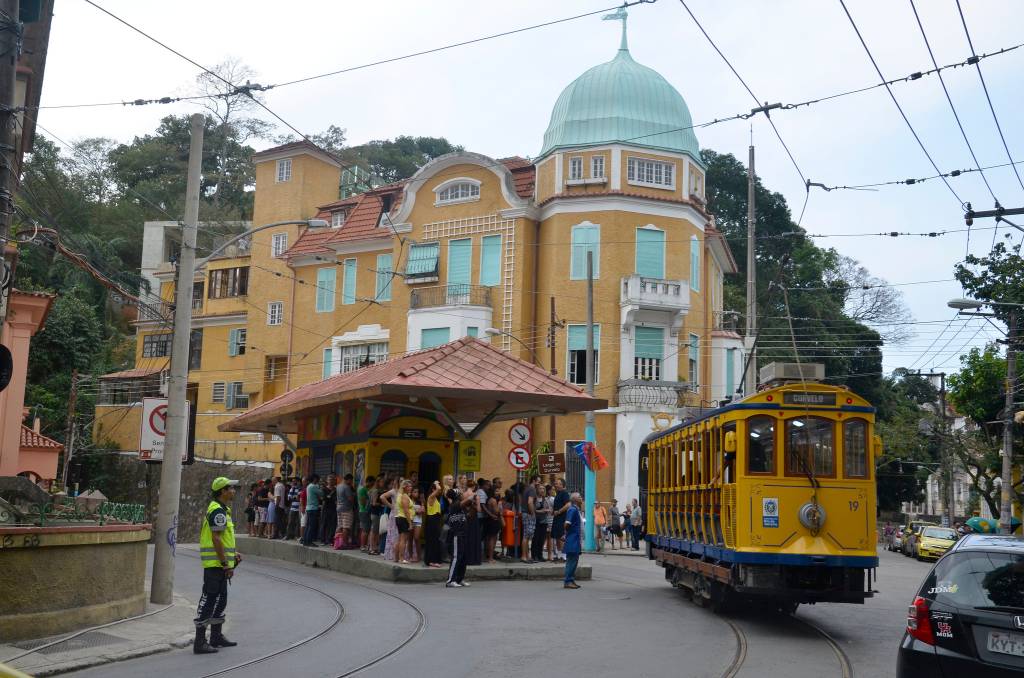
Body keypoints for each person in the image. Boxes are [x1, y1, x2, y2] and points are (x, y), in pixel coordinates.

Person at [193, 476, 242, 654]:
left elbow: (223, 539)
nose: (234, 491)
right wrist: (225, 564)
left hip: (220, 564)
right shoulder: (218, 512)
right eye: (231, 488)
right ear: (223, 491)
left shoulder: (222, 510)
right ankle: (199, 642)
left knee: (221, 600)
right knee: (209, 600)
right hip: (216, 565)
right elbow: (216, 538)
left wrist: (232, 556)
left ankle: (216, 637)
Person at [445, 487, 469, 587]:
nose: (462, 495)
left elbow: (469, 515)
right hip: (456, 535)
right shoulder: (454, 505)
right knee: (456, 557)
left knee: (463, 558)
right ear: (457, 496)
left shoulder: (461, 508)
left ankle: (459, 579)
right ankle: (451, 580)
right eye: (460, 494)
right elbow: (466, 500)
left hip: (463, 534)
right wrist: (472, 496)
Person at [563, 492, 583, 589]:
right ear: (574, 499)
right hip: (572, 539)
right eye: (579, 497)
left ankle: (571, 580)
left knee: (574, 560)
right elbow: (567, 524)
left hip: (575, 539)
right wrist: (568, 534)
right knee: (571, 561)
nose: (581, 498)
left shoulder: (576, 509)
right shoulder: (572, 509)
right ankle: (568, 581)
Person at [424, 480, 444, 568]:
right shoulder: (431, 497)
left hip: (436, 519)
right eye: (437, 489)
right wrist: (436, 483)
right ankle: (431, 560)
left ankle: (434, 559)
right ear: (433, 489)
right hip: (432, 520)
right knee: (432, 540)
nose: (439, 491)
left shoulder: (435, 498)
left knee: (436, 540)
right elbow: (439, 488)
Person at [393, 479, 414, 565]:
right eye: (409, 486)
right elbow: (406, 510)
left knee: (400, 539)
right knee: (403, 540)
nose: (411, 488)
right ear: (405, 487)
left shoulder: (400, 494)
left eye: (411, 486)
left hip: (399, 517)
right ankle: (401, 558)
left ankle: (396, 558)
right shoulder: (404, 496)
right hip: (403, 518)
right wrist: (410, 523)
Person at [550, 478, 571, 561]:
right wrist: (553, 511)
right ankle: (558, 555)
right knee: (557, 537)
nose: (556, 485)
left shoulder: (564, 493)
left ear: (562, 485)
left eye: (558, 484)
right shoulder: (557, 494)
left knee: (561, 537)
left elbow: (568, 504)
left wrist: (559, 511)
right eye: (556, 483)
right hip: (556, 518)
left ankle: (564, 556)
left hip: (562, 518)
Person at [463, 479, 482, 566]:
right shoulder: (476, 496)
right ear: (474, 487)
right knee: (474, 538)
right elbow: (479, 510)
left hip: (465, 518)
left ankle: (466, 558)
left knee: (466, 538)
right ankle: (473, 559)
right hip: (473, 518)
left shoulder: (463, 495)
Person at [520, 474, 538, 563]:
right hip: (528, 514)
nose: (539, 483)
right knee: (526, 536)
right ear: (534, 481)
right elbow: (530, 502)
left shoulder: (526, 489)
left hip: (525, 513)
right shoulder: (532, 489)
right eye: (538, 481)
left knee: (527, 535)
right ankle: (524, 556)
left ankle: (527, 556)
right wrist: (533, 514)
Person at [335, 473, 356, 549]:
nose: (351, 482)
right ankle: (344, 543)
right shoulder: (347, 487)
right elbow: (350, 498)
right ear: (349, 479)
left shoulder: (338, 486)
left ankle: (337, 543)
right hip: (346, 509)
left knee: (340, 526)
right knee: (346, 527)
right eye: (351, 480)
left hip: (339, 508)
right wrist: (353, 495)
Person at [482, 483, 501, 564]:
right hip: (493, 521)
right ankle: (490, 558)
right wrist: (500, 509)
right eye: (496, 491)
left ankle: (489, 557)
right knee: (492, 539)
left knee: (490, 539)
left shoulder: (488, 499)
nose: (498, 492)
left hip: (489, 520)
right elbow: (497, 511)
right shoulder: (493, 500)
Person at [301, 474, 322, 546]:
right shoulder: (313, 486)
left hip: (309, 508)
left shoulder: (309, 486)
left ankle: (305, 541)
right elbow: (321, 493)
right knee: (311, 526)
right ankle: (309, 541)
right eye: (318, 479)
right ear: (314, 479)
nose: (318, 481)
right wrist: (321, 487)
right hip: (313, 508)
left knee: (308, 525)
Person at [531, 479, 550, 562]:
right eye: (540, 488)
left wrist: (548, 510)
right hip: (536, 521)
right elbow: (532, 509)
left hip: (544, 521)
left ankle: (540, 555)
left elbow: (547, 508)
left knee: (542, 539)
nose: (542, 490)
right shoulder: (534, 499)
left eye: (543, 489)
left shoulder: (545, 499)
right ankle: (534, 555)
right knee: (536, 539)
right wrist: (542, 511)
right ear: (537, 490)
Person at [367, 475, 384, 555]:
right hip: (375, 513)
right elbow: (374, 503)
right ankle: (372, 548)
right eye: (382, 482)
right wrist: (382, 504)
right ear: (378, 482)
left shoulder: (372, 490)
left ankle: (371, 547)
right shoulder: (375, 491)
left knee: (373, 530)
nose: (383, 484)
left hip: (373, 513)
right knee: (374, 531)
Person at [320, 475, 338, 545]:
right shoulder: (324, 489)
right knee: (324, 524)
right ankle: (323, 539)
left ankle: (330, 539)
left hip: (333, 509)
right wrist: (329, 497)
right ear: (327, 481)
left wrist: (329, 497)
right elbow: (323, 499)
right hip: (325, 508)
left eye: (333, 480)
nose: (331, 481)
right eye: (330, 480)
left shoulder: (336, 490)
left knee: (332, 524)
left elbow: (336, 499)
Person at [358, 475, 373, 551]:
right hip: (364, 511)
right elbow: (363, 501)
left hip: (364, 511)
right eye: (372, 483)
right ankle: (363, 546)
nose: (373, 485)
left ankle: (364, 545)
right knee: (365, 530)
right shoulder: (363, 490)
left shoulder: (365, 489)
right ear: (369, 482)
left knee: (365, 529)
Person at [410, 486, 424, 563]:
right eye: (414, 492)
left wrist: (418, 511)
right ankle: (411, 556)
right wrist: (416, 511)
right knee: (410, 539)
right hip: (410, 521)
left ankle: (419, 556)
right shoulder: (409, 500)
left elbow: (423, 510)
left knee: (416, 538)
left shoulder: (420, 501)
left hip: (418, 521)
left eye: (417, 492)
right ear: (411, 493)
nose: (416, 493)